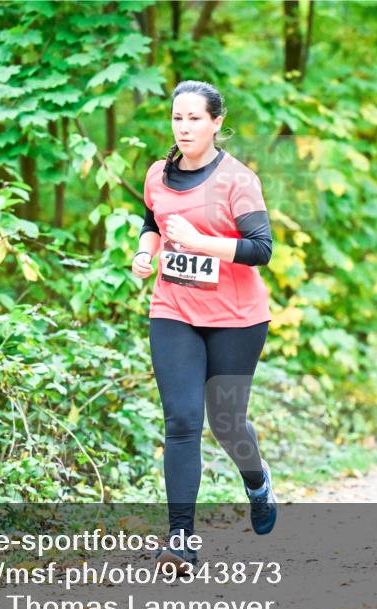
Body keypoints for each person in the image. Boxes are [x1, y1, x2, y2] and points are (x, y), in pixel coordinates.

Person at [131, 80, 277, 573]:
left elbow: (261, 249)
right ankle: (180, 539)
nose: (185, 126)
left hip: (237, 319)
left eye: (195, 118)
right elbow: (152, 220)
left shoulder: (238, 180)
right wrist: (144, 253)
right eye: (178, 118)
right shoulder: (158, 173)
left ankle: (257, 483)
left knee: (227, 422)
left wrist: (199, 241)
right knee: (182, 421)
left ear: (216, 123)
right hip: (174, 309)